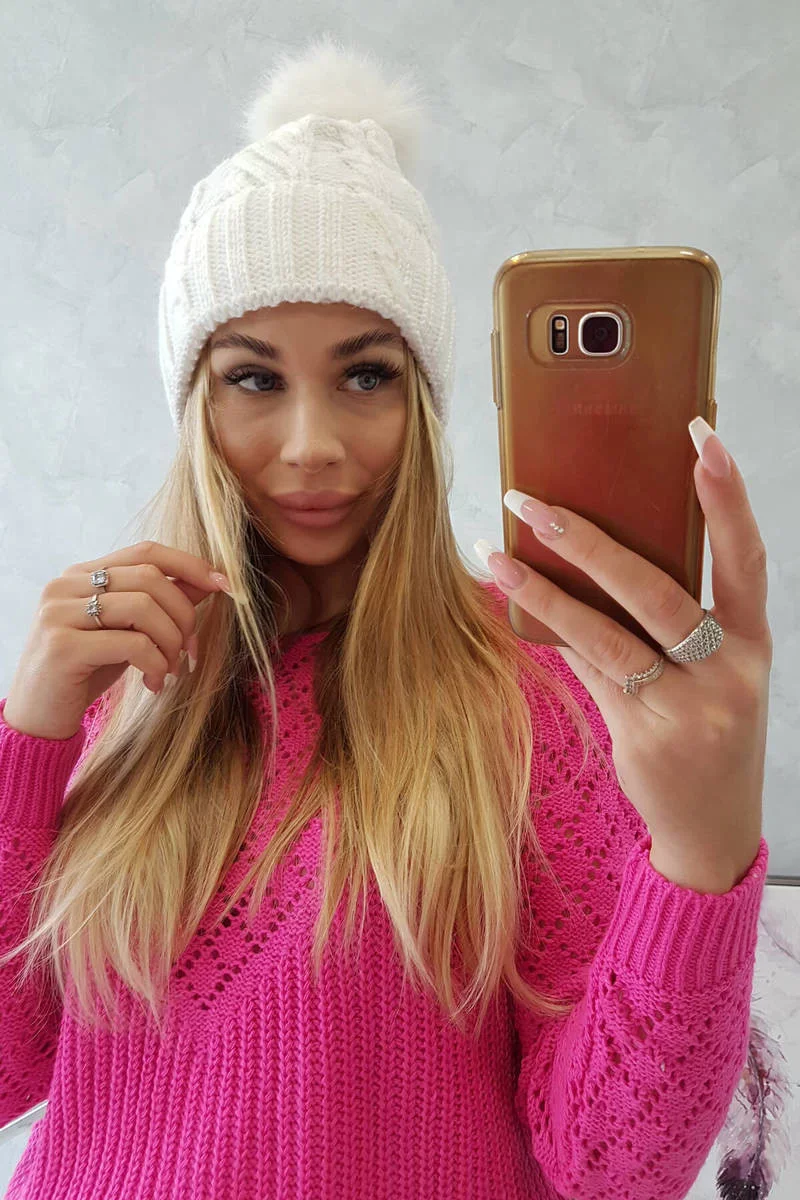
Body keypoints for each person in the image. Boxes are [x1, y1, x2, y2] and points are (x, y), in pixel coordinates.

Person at [0, 36, 771, 1200]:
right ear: (191, 399)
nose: (312, 445)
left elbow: (609, 1168)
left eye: (365, 375)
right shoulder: (122, 681)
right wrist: (30, 739)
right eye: (253, 377)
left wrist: (700, 853)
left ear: (425, 401)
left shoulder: (533, 704)